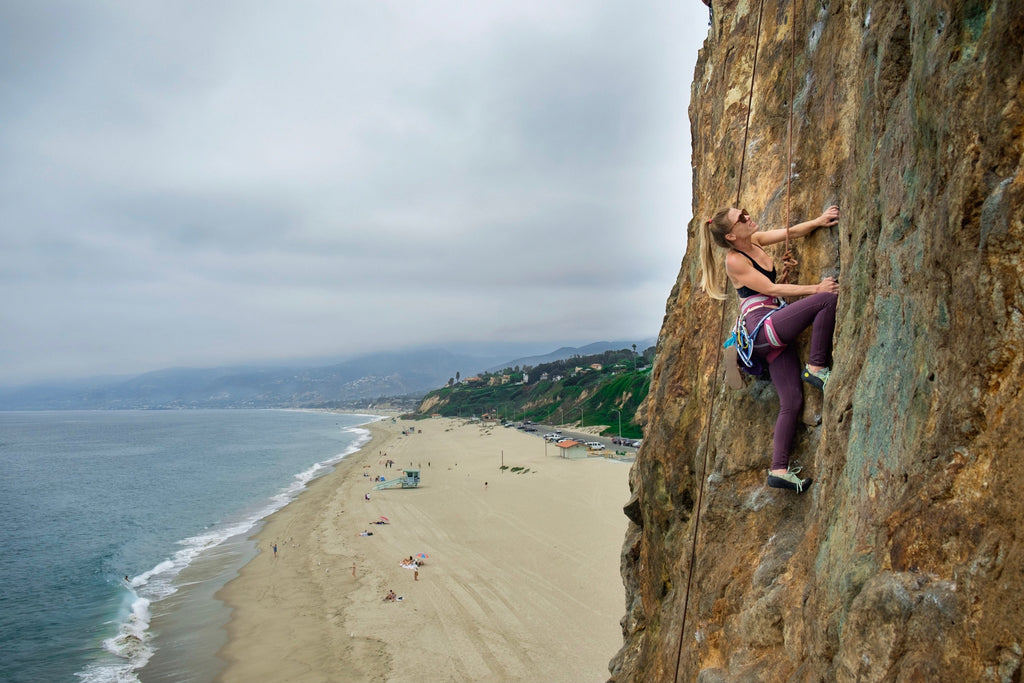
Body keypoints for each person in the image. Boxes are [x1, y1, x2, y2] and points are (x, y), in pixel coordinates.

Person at [699, 204, 840, 493]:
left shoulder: (755, 242)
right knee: (826, 301)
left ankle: (779, 470)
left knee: (791, 402)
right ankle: (815, 367)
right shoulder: (735, 260)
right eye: (742, 218)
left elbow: (790, 232)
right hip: (763, 328)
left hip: (772, 331)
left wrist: (819, 220)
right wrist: (816, 289)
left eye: (745, 213)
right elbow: (772, 290)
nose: (749, 218)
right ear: (730, 236)